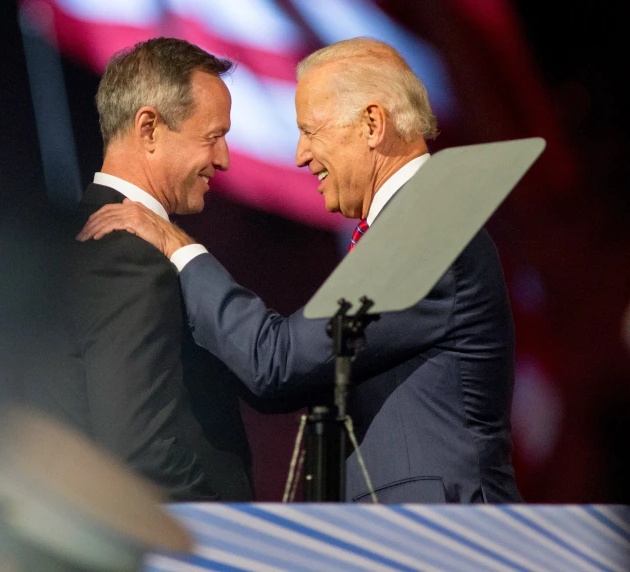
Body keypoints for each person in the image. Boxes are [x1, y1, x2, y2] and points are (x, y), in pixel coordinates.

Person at [78, 37, 523, 503]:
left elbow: (278, 362)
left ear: (372, 124)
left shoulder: (426, 230)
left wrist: (179, 246)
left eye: (311, 130)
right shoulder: (412, 226)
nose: (300, 154)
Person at [35, 37, 256, 501]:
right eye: (212, 137)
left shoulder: (74, 242)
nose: (224, 159)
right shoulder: (127, 252)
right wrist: (218, 540)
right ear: (149, 128)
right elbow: (140, 451)